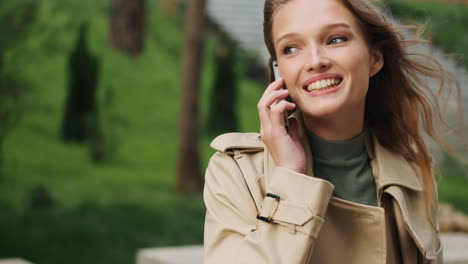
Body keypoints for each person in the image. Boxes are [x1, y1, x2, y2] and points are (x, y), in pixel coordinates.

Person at [203, 0, 456, 263]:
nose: (315, 61)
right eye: (291, 48)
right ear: (279, 71)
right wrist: (289, 175)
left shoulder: (410, 168)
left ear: (375, 58)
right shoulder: (237, 172)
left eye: (335, 39)